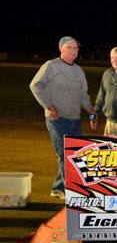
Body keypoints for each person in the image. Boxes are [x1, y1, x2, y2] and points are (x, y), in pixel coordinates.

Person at [29, 36, 97, 199]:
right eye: (69, 48)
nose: (73, 51)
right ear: (61, 48)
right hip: (57, 119)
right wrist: (49, 106)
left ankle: (58, 187)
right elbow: (35, 85)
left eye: (76, 48)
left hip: (75, 119)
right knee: (65, 154)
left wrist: (90, 110)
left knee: (74, 154)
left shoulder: (78, 70)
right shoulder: (51, 66)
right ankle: (67, 189)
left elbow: (82, 94)